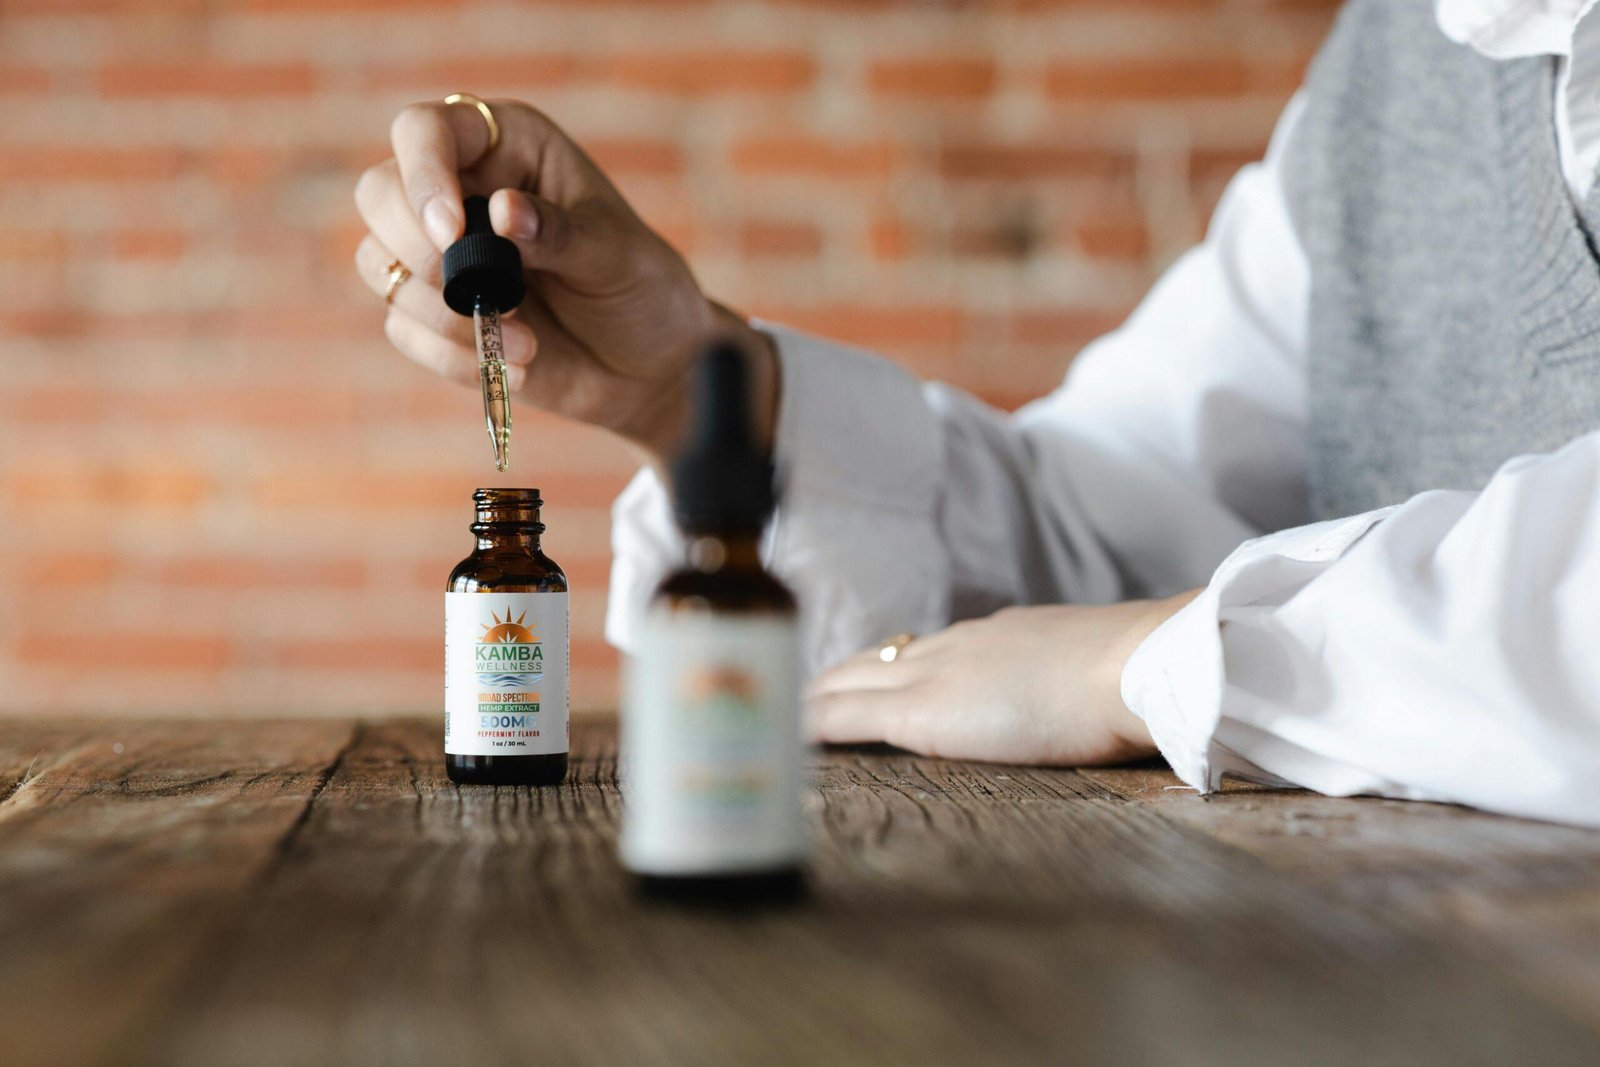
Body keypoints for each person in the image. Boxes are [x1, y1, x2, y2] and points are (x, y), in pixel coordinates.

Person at [355, 0, 1600, 828]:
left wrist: (1153, 657)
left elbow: (1134, 635)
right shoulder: (1403, 62)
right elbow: (1115, 513)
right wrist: (696, 393)